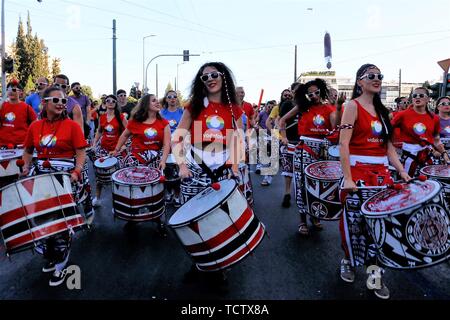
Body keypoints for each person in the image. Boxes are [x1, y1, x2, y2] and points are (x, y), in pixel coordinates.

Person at [338, 63, 412, 300]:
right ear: (359, 81)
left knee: (381, 228)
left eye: (380, 76)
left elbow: (389, 149)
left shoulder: (385, 113)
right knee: (354, 226)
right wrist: (348, 177)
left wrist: (401, 171)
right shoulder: (351, 106)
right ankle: (348, 261)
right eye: (371, 76)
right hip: (358, 175)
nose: (377, 79)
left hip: (382, 175)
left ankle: (374, 274)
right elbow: (343, 144)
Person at [171, 62, 244, 284]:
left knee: (221, 219)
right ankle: (199, 262)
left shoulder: (234, 108)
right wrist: (182, 166)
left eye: (214, 75)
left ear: (223, 77)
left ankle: (221, 266)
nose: (210, 79)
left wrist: (232, 166)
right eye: (205, 77)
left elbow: (238, 140)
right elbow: (178, 137)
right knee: (195, 221)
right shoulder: (193, 106)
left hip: (222, 168)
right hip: (195, 166)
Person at [21, 86, 89, 287]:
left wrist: (77, 171)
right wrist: (25, 166)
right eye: (56, 100)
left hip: (65, 179)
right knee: (42, 220)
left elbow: (81, 152)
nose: (61, 104)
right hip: (40, 177)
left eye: (63, 101)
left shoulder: (73, 126)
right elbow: (27, 150)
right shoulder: (35, 126)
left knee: (60, 222)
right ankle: (51, 255)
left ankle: (61, 263)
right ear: (44, 103)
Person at [279, 79, 339, 235]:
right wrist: (283, 137)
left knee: (318, 186)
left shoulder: (329, 108)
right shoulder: (302, 107)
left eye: (316, 92)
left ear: (321, 92)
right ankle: (302, 220)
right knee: (301, 185)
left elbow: (335, 128)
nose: (313, 95)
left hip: (322, 151)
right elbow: (282, 120)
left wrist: (338, 107)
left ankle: (315, 215)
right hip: (303, 150)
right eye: (310, 93)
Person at [113, 94, 170, 234]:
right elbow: (125, 135)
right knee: (134, 192)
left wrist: (163, 161)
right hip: (135, 161)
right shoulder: (135, 122)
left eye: (158, 100)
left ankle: (157, 218)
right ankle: (133, 219)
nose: (158, 102)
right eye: (154, 100)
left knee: (155, 192)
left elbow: (167, 144)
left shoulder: (164, 123)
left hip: (154, 162)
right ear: (146, 104)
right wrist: (116, 150)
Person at [392, 87, 449, 176]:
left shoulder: (434, 118)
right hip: (408, 157)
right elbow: (387, 132)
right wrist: (394, 149)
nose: (417, 98)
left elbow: (436, 140)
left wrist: (444, 153)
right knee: (407, 185)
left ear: (428, 99)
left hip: (427, 156)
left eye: (421, 95)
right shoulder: (402, 115)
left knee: (428, 185)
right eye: (415, 96)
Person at [91, 94, 127, 207]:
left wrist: (123, 146)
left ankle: (119, 203)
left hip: (117, 151)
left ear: (116, 103)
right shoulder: (102, 117)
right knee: (99, 176)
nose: (110, 102)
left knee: (119, 178)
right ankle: (97, 198)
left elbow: (128, 132)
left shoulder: (121, 117)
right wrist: (94, 143)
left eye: (113, 101)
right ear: (105, 103)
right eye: (108, 100)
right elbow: (99, 131)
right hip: (103, 150)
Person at [160, 90, 184, 207]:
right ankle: (169, 193)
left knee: (178, 171)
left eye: (174, 96)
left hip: (179, 145)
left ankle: (177, 194)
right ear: (166, 99)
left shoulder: (182, 112)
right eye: (169, 97)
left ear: (177, 98)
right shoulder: (161, 113)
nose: (172, 98)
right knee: (167, 171)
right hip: (166, 145)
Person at [0, 79, 37, 148]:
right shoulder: (2, 106)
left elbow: (36, 125)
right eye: (9, 90)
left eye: (14, 90)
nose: (11, 92)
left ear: (20, 92)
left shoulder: (27, 107)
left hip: (20, 146)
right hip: (2, 146)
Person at [278, 86, 299, 205]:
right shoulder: (287, 104)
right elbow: (281, 120)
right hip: (289, 140)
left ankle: (301, 195)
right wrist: (283, 137)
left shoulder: (307, 105)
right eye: (295, 90)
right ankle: (287, 193)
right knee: (288, 168)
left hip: (302, 141)